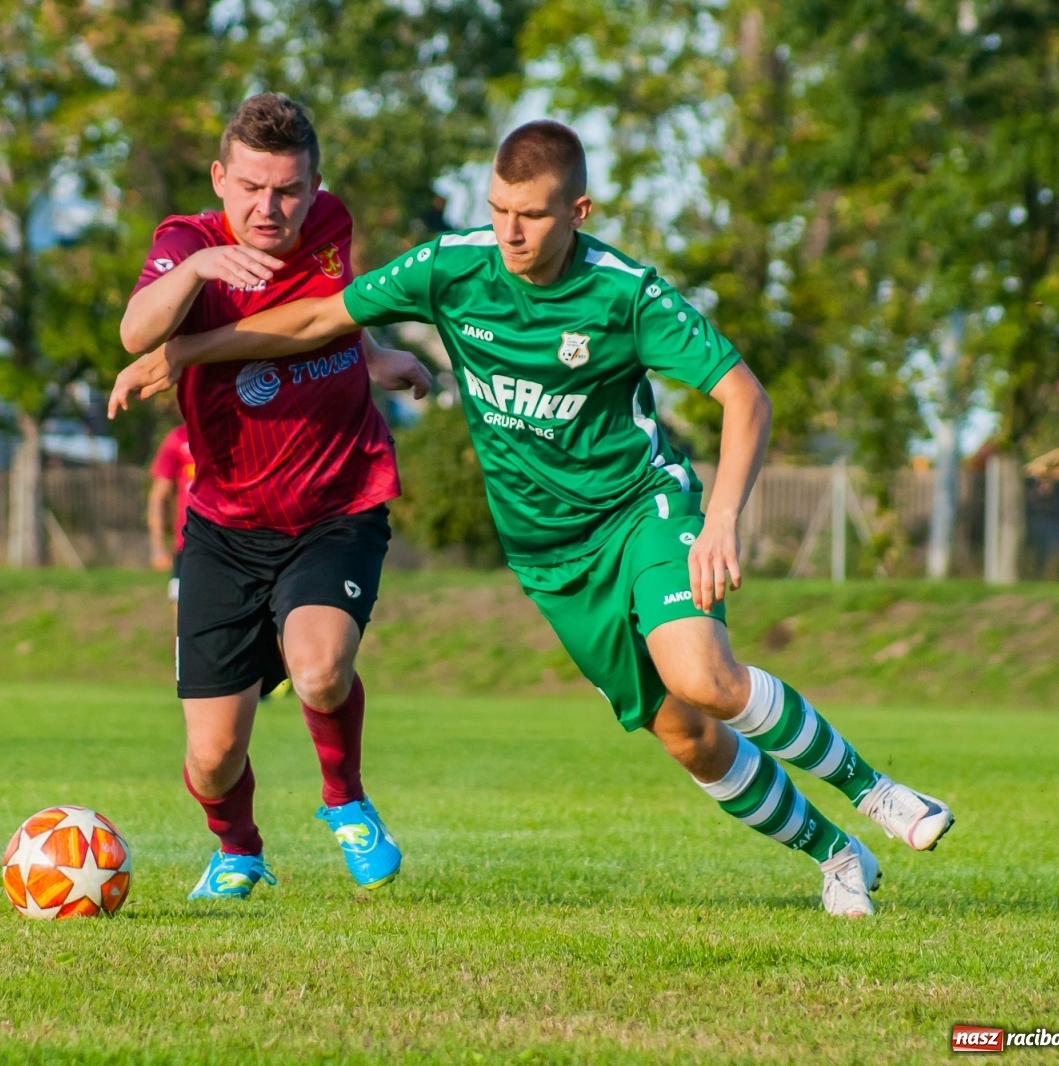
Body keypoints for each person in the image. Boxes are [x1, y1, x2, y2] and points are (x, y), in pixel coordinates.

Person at [110, 121, 954, 917]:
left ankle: (878, 791)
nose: (510, 233)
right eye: (499, 211)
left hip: (641, 508)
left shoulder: (624, 293)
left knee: (704, 675)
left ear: (577, 213)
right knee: (686, 735)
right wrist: (184, 351)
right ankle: (838, 857)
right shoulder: (453, 268)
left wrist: (725, 515)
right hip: (549, 556)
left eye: (532, 215)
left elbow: (744, 395)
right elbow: (316, 319)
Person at [111, 92, 431, 900]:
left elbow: (327, 316)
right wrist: (193, 274)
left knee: (320, 669)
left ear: (316, 184)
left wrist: (373, 354)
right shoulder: (187, 243)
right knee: (212, 758)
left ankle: (345, 800)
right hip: (225, 524)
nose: (270, 207)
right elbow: (133, 332)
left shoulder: (330, 224)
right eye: (251, 186)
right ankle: (239, 850)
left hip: (339, 500)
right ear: (220, 178)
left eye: (288, 189)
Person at [147, 422, 193, 608]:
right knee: (181, 619)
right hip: (188, 545)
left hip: (232, 543)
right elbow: (158, 496)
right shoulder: (179, 439)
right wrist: (158, 548)